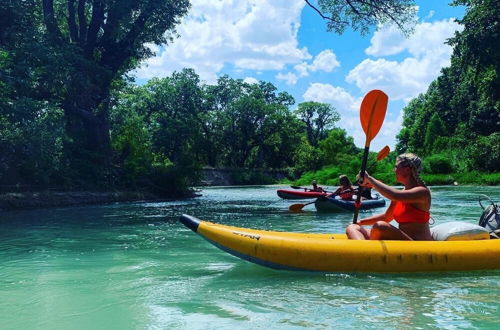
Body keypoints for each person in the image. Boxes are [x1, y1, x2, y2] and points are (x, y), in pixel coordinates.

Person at [346, 153, 432, 241]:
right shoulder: (401, 193)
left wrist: (370, 179)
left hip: (417, 244)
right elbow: (386, 217)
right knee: (352, 228)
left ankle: (368, 251)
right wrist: (360, 222)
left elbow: (395, 195)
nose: (394, 170)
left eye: (396, 167)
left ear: (407, 170)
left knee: (380, 226)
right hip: (402, 241)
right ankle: (364, 251)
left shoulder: (422, 192)